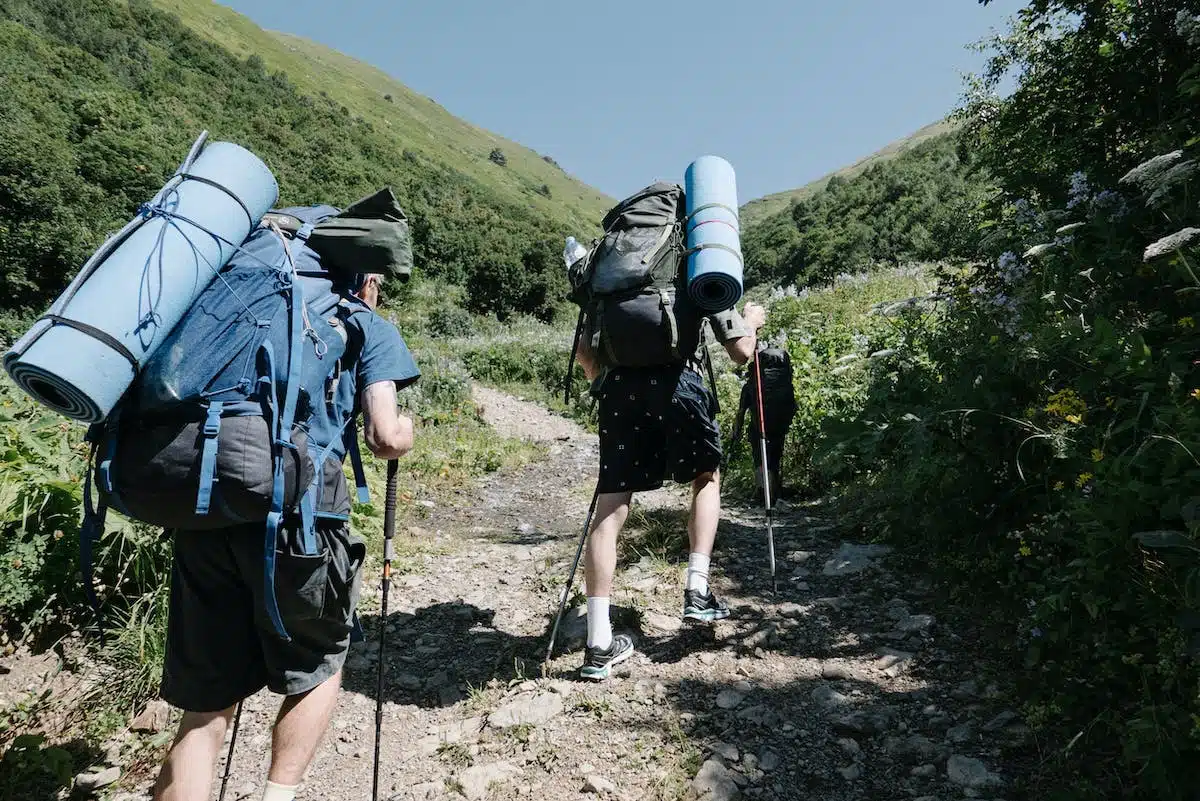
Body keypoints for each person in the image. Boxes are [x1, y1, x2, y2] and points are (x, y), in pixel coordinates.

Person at [151, 270, 420, 801]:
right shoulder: (363, 322)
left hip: (206, 514)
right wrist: (404, 431)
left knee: (205, 705)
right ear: (365, 274)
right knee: (316, 667)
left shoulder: (226, 303)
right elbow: (385, 437)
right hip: (302, 523)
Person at [573, 298, 767, 680]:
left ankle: (598, 643)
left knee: (611, 505)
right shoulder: (692, 260)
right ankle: (697, 589)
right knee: (706, 477)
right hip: (679, 382)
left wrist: (608, 373)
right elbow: (742, 351)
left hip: (618, 390)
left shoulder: (609, 265)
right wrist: (752, 321)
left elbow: (584, 353)